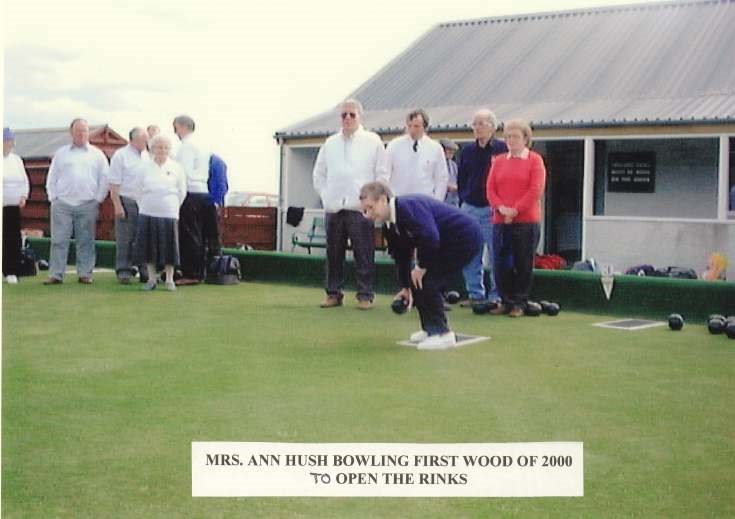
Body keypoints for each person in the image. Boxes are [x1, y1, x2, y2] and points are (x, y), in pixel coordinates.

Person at [360, 181, 482, 350]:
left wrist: (421, 266)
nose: (367, 215)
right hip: (445, 242)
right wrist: (405, 286)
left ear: (383, 200)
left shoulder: (407, 207)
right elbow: (401, 256)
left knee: (428, 278)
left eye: (370, 208)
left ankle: (443, 333)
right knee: (417, 279)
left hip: (465, 238)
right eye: (365, 210)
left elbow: (430, 236)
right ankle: (429, 329)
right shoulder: (389, 225)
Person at [312, 99, 389, 310]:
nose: (347, 119)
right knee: (333, 253)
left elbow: (382, 174)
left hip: (360, 209)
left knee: (363, 253)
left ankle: (365, 295)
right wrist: (327, 197)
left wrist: (372, 204)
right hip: (335, 207)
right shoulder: (330, 143)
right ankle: (333, 293)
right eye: (343, 115)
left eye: (351, 115)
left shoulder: (373, 141)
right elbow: (319, 174)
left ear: (359, 117)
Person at [486, 119, 546, 317]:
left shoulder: (535, 160)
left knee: (523, 262)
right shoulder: (499, 161)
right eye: (508, 136)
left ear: (525, 139)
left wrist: (515, 210)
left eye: (515, 136)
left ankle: (520, 302)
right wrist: (502, 208)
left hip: (526, 221)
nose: (511, 140)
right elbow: (490, 189)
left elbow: (535, 190)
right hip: (500, 220)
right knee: (500, 263)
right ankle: (505, 300)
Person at [44, 118, 109, 285]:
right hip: (62, 204)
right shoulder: (61, 153)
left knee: (86, 241)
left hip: (87, 203)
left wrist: (98, 199)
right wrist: (53, 198)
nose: (81, 134)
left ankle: (85, 273)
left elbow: (105, 178)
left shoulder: (97, 154)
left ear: (88, 133)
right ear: (71, 132)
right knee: (58, 240)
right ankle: (56, 274)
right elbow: (52, 177)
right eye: (78, 131)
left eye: (85, 131)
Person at [457, 109, 508, 306]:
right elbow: (462, 179)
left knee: (496, 254)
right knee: (470, 253)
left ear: (493, 127)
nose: (477, 128)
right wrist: (464, 200)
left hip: (492, 209)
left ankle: (496, 295)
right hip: (469, 207)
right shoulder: (467, 151)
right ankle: (475, 294)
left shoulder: (502, 149)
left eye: (481, 124)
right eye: (475, 124)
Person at [132, 134, 187, 291]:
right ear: (152, 148)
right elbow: (137, 191)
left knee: (169, 247)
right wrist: (144, 206)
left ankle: (169, 279)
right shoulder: (144, 168)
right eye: (158, 147)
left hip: (169, 212)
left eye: (165, 147)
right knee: (149, 247)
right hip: (147, 211)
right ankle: (151, 279)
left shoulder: (177, 168)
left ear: (169, 150)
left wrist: (173, 207)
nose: (162, 150)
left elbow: (182, 192)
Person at [173, 115, 217, 285]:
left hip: (190, 192)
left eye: (176, 127)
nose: (175, 132)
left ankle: (191, 273)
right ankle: (200, 271)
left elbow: (182, 171)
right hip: (204, 192)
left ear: (182, 127)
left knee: (190, 235)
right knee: (201, 235)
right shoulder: (203, 144)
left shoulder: (186, 146)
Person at [109, 127, 149, 284]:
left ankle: (144, 269)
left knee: (144, 238)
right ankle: (123, 270)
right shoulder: (121, 156)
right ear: (133, 140)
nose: (146, 143)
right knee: (125, 237)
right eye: (143, 140)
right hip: (127, 199)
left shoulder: (147, 156)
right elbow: (114, 182)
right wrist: (117, 205)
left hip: (145, 202)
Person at [386, 109, 448, 200]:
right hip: (399, 200)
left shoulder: (435, 148)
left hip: (425, 201)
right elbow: (385, 173)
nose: (412, 130)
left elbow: (441, 178)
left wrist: (437, 201)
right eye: (409, 126)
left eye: (416, 126)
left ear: (425, 127)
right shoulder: (393, 146)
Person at [3, 127, 30, 284]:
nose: (9, 144)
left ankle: (11, 270)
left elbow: (24, 180)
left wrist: (23, 195)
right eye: (6, 141)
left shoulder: (17, 160)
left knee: (13, 239)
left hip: (13, 207)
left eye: (11, 141)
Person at [440, 138, 460, 207]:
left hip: (453, 201)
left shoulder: (454, 165)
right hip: (441, 200)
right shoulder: (437, 164)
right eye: (449, 150)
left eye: (453, 150)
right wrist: (447, 186)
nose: (451, 152)